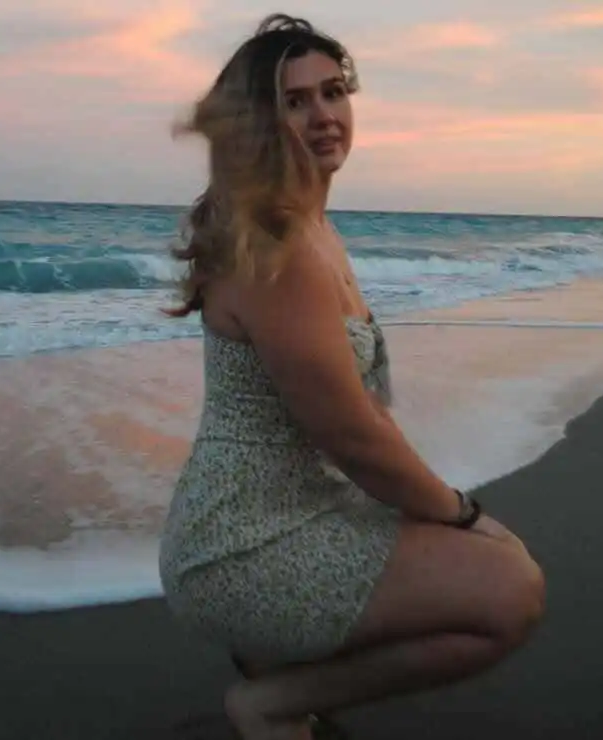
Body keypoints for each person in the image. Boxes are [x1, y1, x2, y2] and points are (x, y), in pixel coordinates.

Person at [158, 13, 545, 740]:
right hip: (243, 543)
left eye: (333, 92)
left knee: (493, 561)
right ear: (258, 124)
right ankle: (270, 702)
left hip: (299, 508)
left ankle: (279, 673)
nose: (324, 115)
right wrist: (460, 512)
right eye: (295, 101)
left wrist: (437, 511)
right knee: (510, 589)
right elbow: (351, 434)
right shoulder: (280, 248)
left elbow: (363, 416)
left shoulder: (310, 228)